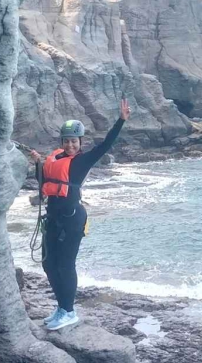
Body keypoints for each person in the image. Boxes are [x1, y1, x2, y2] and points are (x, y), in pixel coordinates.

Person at [29, 98, 130, 330]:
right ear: (62, 142)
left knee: (65, 265)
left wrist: (121, 121)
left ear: (80, 142)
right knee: (48, 264)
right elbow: (44, 182)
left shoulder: (83, 161)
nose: (70, 145)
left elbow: (105, 145)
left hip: (72, 221)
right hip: (53, 220)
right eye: (67, 141)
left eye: (74, 141)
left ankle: (69, 311)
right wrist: (38, 164)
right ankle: (61, 307)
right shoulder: (55, 159)